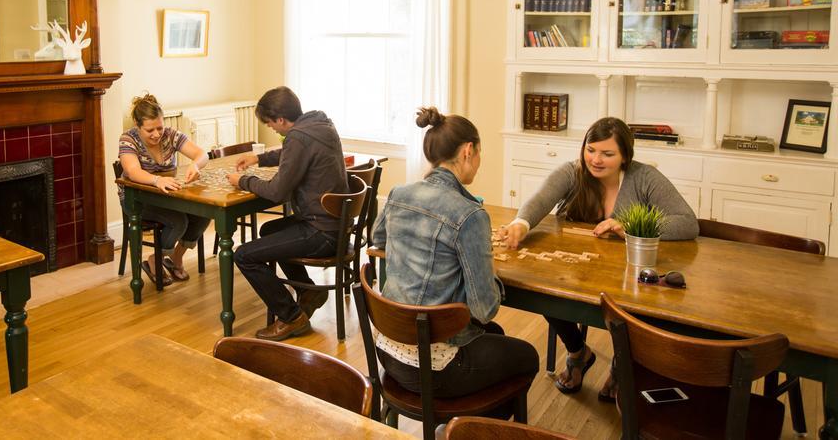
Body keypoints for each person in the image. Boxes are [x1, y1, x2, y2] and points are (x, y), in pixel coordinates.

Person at [502, 116, 697, 399]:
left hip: (629, 274)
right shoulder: (573, 172)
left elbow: (688, 223)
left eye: (607, 154)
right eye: (591, 150)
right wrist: (521, 223)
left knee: (631, 310)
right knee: (545, 287)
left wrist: (630, 228)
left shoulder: (644, 177)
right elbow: (540, 200)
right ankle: (578, 351)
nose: (596, 159)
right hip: (580, 270)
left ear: (625, 156)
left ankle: (622, 363)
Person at [370, 107, 539, 402]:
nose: (479, 162)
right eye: (480, 154)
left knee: (494, 334)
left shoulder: (399, 194)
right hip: (435, 367)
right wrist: (487, 271)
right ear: (468, 151)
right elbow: (484, 309)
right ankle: (471, 429)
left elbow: (378, 239)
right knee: (528, 356)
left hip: (386, 351)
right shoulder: (470, 214)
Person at [226, 86, 347, 341]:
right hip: (335, 226)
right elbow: (292, 153)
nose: (272, 128)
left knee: (244, 255)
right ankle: (310, 293)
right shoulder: (319, 124)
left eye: (270, 123)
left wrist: (244, 181)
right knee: (269, 230)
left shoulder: (298, 137)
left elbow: (278, 191)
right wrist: (259, 158)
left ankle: (291, 317)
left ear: (281, 119)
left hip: (321, 232)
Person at [118, 93, 211, 286]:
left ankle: (176, 258)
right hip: (137, 199)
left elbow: (202, 154)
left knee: (203, 214)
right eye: (149, 130)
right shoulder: (128, 139)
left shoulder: (171, 135)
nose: (156, 134)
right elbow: (132, 171)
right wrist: (156, 180)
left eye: (159, 128)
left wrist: (195, 165)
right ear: (137, 124)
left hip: (168, 196)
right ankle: (156, 259)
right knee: (178, 220)